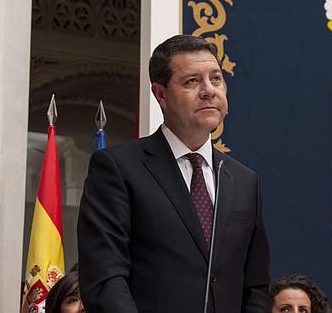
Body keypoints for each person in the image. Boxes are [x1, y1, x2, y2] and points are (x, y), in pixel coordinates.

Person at [77, 34, 271, 312]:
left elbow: (256, 286)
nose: (208, 90)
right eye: (192, 81)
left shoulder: (244, 181)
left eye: (216, 79)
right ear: (161, 94)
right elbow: (105, 277)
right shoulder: (118, 168)